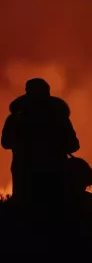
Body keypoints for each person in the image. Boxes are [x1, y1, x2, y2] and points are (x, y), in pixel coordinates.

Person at [2, 78, 80, 209]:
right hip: (54, 177)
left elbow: (5, 143)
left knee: (25, 216)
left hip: (24, 177)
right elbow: (74, 145)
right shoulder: (59, 117)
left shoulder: (16, 117)